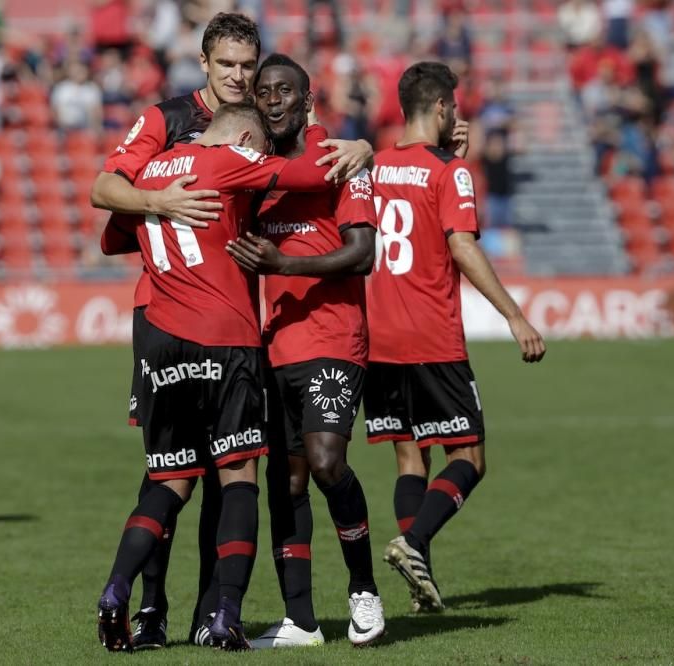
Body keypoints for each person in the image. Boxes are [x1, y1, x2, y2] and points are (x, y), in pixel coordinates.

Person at [93, 11, 373, 650]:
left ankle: (192, 611)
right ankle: (159, 609)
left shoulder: (266, 122)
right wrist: (161, 202)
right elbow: (104, 190)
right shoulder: (171, 122)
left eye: (249, 66)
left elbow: (116, 233)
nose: (241, 77)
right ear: (204, 64)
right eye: (228, 66)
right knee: (203, 471)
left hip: (211, 314)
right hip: (192, 317)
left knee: (189, 474)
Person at [364, 62, 546, 612]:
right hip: (431, 334)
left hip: (379, 337)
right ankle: (415, 542)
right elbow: (461, 245)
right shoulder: (450, 173)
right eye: (456, 107)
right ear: (442, 108)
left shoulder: (372, 167)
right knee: (469, 457)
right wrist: (515, 316)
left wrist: (452, 160)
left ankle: (423, 582)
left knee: (410, 460)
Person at [224, 54, 383, 648]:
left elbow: (363, 253)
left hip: (334, 338)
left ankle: (364, 590)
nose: (271, 99)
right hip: (277, 347)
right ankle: (301, 622)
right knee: (286, 481)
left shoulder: (339, 160)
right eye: (263, 91)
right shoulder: (260, 173)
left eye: (283, 90)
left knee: (325, 463)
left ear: (307, 98)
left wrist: (284, 262)